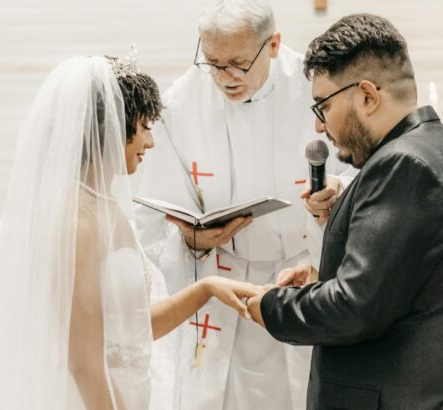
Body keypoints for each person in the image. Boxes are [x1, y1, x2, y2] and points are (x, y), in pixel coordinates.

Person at [248, 13, 443, 409]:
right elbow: (404, 289)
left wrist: (270, 306)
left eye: (323, 107)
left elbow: (353, 309)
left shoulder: (403, 166)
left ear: (367, 96)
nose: (320, 127)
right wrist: (322, 278)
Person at [0, 54, 262, 410]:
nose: (151, 142)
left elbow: (129, 332)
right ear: (113, 127)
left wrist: (207, 289)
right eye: (144, 127)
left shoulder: (104, 206)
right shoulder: (76, 220)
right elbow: (84, 364)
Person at [135, 1, 353, 409]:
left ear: (273, 44)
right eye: (211, 61)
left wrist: (335, 193)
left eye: (236, 63)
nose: (223, 77)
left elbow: (364, 172)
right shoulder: (180, 105)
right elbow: (152, 223)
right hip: (223, 290)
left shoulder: (321, 87)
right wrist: (193, 242)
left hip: (306, 273)